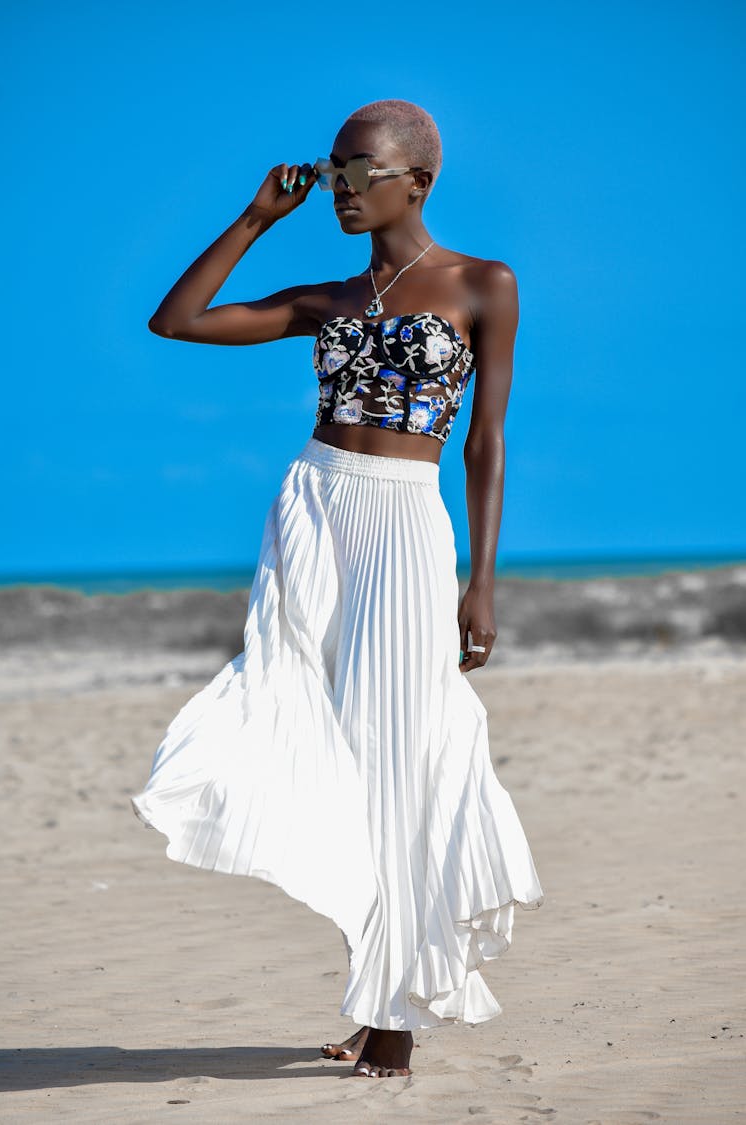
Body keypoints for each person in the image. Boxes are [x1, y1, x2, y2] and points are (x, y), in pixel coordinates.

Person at [131, 98, 544, 1079]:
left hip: (406, 522)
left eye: (360, 171)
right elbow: (177, 321)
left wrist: (480, 585)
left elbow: (485, 444)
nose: (341, 189)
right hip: (314, 509)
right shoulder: (326, 299)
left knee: (398, 750)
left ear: (418, 181)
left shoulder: (484, 284)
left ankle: (394, 1015)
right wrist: (254, 218)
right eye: (335, 170)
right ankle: (375, 990)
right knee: (318, 737)